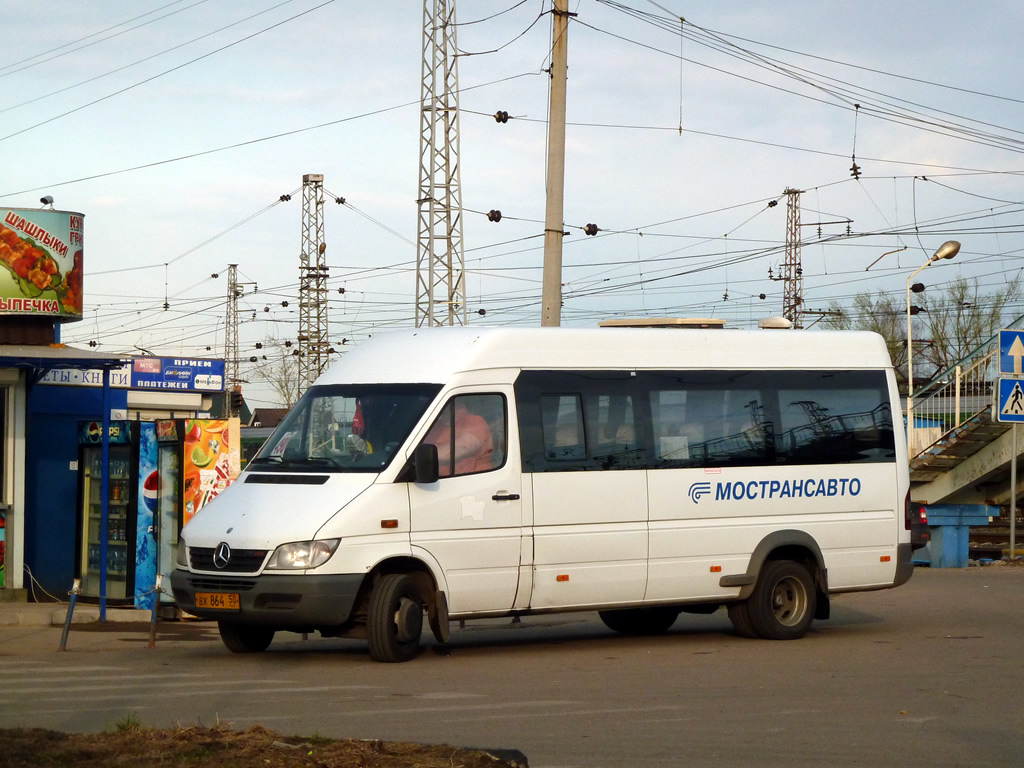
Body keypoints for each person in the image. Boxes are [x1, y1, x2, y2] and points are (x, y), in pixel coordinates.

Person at [425, 399, 493, 476]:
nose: (443, 411)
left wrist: (417, 456)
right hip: (436, 483)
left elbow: (464, 447)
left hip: (473, 482)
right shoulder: (434, 426)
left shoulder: (474, 421)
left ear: (460, 406)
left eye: (447, 407)